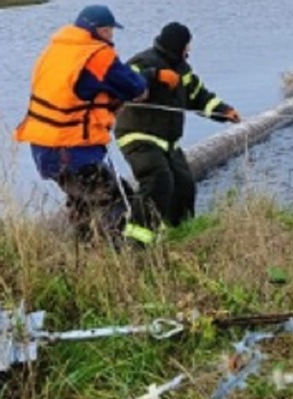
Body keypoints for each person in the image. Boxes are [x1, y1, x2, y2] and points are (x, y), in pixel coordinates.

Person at [13, 5, 155, 244]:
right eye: (109, 31)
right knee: (119, 202)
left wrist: (105, 102)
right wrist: (148, 77)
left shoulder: (55, 51)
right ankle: (132, 259)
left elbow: (73, 93)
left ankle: (86, 255)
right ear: (98, 30)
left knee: (82, 203)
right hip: (74, 149)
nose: (112, 36)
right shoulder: (98, 55)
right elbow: (135, 87)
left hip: (42, 147)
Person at [114, 22, 241, 231]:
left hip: (167, 141)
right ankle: (137, 241)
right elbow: (124, 82)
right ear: (177, 46)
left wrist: (224, 112)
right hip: (137, 135)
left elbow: (199, 96)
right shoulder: (143, 61)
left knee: (184, 185)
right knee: (157, 179)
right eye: (187, 46)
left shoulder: (183, 69)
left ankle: (179, 232)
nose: (189, 51)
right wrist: (155, 75)